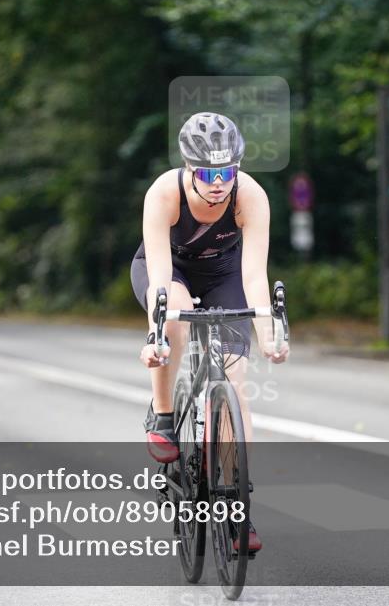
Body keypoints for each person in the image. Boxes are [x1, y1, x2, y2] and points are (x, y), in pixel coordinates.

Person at [130, 112, 289, 552]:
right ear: (188, 168)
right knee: (177, 310)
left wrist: (269, 334)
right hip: (169, 271)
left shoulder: (251, 196)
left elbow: (255, 276)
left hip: (223, 274)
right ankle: (164, 416)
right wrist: (157, 336)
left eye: (227, 171)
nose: (218, 182)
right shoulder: (164, 193)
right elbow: (161, 280)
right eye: (207, 172)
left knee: (235, 386)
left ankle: (238, 506)